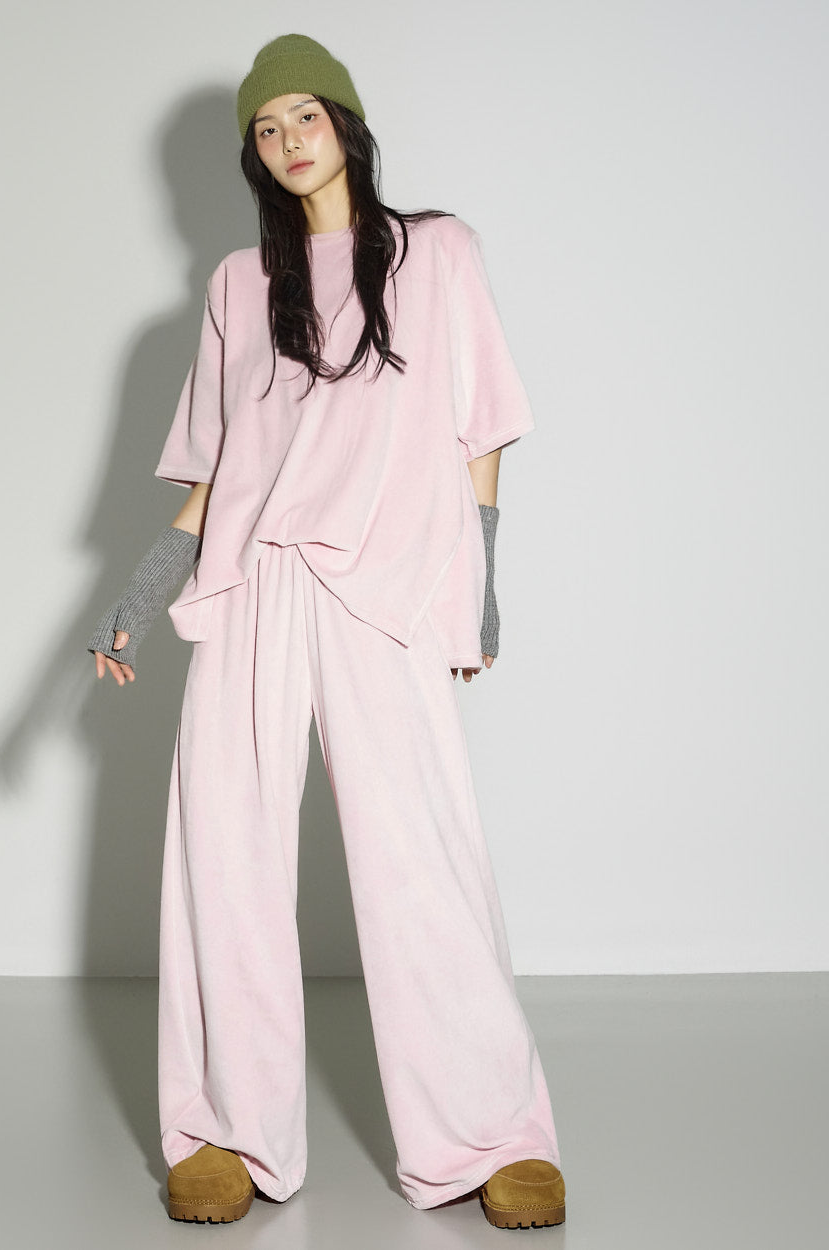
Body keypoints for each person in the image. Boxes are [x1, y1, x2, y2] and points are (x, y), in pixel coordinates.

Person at [87, 32, 567, 1230]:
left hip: (384, 585)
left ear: (344, 123)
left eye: (304, 115)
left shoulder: (436, 253)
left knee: (421, 859)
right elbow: (212, 476)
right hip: (254, 581)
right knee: (222, 853)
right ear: (252, 153)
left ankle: (490, 1131)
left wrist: (480, 586)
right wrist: (136, 600)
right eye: (265, 127)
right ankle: (226, 1130)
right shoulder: (237, 286)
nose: (287, 140)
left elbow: (480, 433)